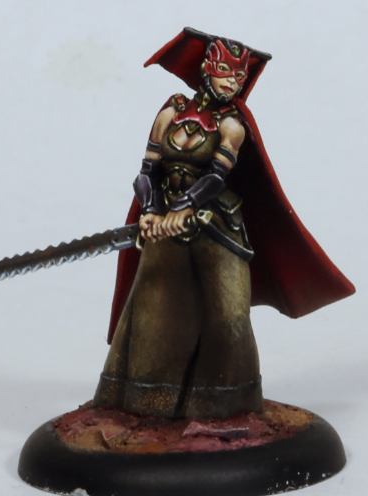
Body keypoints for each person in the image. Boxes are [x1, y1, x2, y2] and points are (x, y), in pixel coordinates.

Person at [92, 28, 355, 419]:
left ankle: (226, 408)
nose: (233, 82)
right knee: (155, 306)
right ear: (207, 69)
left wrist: (185, 207)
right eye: (225, 72)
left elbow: (215, 177)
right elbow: (148, 171)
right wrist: (150, 210)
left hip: (217, 224)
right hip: (166, 223)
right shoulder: (171, 111)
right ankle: (146, 405)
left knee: (228, 314)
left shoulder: (232, 124)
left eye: (239, 76)